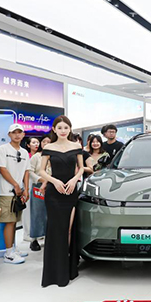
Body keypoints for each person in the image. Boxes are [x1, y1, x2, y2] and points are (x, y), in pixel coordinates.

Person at [38, 116, 84, 287]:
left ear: (70, 129)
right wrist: (54, 181)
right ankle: (55, 273)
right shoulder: (48, 147)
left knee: (69, 229)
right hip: (54, 193)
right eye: (60, 128)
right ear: (54, 129)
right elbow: (41, 171)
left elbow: (81, 168)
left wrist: (74, 179)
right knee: (55, 230)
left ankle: (68, 268)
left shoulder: (76, 146)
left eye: (66, 127)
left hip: (70, 191)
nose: (63, 130)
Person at [0, 124, 31, 264]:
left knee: (15, 221)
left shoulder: (24, 152)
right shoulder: (3, 149)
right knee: (9, 222)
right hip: (6, 192)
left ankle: (13, 248)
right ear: (9, 134)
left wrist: (26, 189)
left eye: (19, 132)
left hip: (19, 193)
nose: (17, 135)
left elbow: (27, 171)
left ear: (23, 135)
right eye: (14, 132)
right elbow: (2, 169)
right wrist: (16, 185)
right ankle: (8, 253)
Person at [29, 135, 51, 252]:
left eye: (49, 141)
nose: (46, 144)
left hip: (53, 187)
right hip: (38, 187)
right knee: (37, 213)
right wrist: (41, 180)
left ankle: (49, 238)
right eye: (44, 142)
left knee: (50, 214)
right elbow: (30, 171)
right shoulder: (36, 157)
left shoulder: (55, 156)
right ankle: (34, 239)